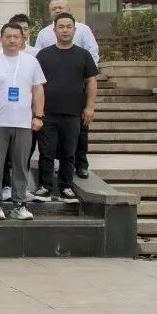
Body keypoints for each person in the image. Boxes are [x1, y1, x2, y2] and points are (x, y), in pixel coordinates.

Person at [0, 23, 46, 221]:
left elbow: (38, 90)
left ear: (23, 38)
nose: (12, 40)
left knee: (21, 165)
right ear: (1, 38)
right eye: (8, 36)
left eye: (16, 36)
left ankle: (19, 204)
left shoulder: (31, 62)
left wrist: (38, 115)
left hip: (24, 122)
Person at [34, 13, 98, 204]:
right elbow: (35, 84)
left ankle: (66, 187)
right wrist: (36, 111)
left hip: (73, 113)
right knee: (46, 152)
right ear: (54, 30)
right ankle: (45, 187)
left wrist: (89, 107)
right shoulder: (44, 55)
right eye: (61, 27)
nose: (65, 30)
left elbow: (91, 81)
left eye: (68, 27)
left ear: (74, 30)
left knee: (69, 153)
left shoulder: (83, 55)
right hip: (47, 113)